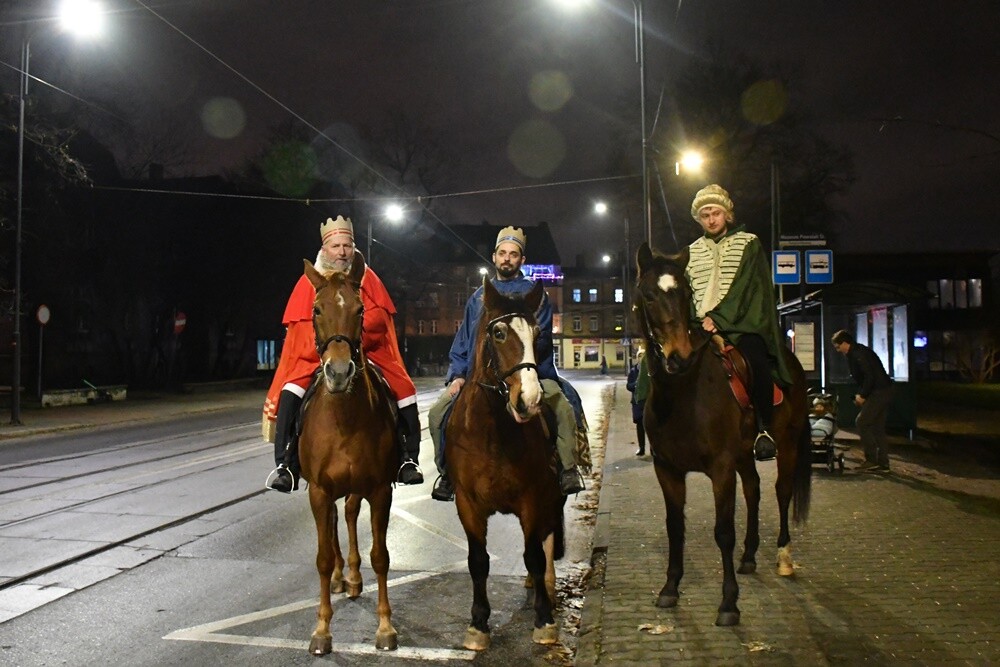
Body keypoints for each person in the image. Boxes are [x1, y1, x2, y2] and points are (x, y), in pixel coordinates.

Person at [262, 215, 423, 492]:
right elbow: (301, 328)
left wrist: (352, 338)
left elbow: (378, 321)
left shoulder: (366, 278)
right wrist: (322, 346)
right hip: (314, 355)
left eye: (347, 245)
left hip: (364, 352)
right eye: (336, 246)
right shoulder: (308, 282)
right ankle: (285, 463)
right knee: (290, 392)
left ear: (354, 247)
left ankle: (408, 459)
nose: (342, 252)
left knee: (404, 389)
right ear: (325, 249)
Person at [427, 226, 586, 500]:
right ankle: (447, 474)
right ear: (494, 256)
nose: (507, 259)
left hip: (529, 371)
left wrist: (522, 358)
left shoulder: (535, 296)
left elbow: (542, 338)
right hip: (479, 376)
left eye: (513, 254)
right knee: (438, 413)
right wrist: (457, 375)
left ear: (522, 260)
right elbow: (463, 339)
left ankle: (568, 469)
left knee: (562, 407)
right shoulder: (479, 297)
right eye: (502, 253)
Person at [685, 184, 793, 461]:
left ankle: (763, 429)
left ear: (727, 215)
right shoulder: (692, 251)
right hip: (701, 328)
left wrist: (719, 319)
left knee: (756, 360)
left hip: (741, 325)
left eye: (716, 213)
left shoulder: (749, 243)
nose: (711, 219)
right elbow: (687, 292)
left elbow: (748, 288)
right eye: (705, 215)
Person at [831, 330, 894, 472]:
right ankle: (883, 463)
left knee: (862, 422)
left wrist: (863, 395)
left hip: (878, 392)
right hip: (883, 390)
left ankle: (871, 460)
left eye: (838, 346)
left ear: (845, 343)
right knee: (877, 427)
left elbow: (869, 376)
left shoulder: (858, 354)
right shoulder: (858, 352)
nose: (838, 350)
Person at [626, 350, 650, 456]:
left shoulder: (649, 370)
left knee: (650, 426)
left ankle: (653, 449)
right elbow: (628, 386)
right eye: (639, 355)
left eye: (643, 355)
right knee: (640, 425)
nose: (641, 357)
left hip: (647, 401)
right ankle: (642, 448)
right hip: (636, 402)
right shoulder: (633, 371)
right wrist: (636, 385)